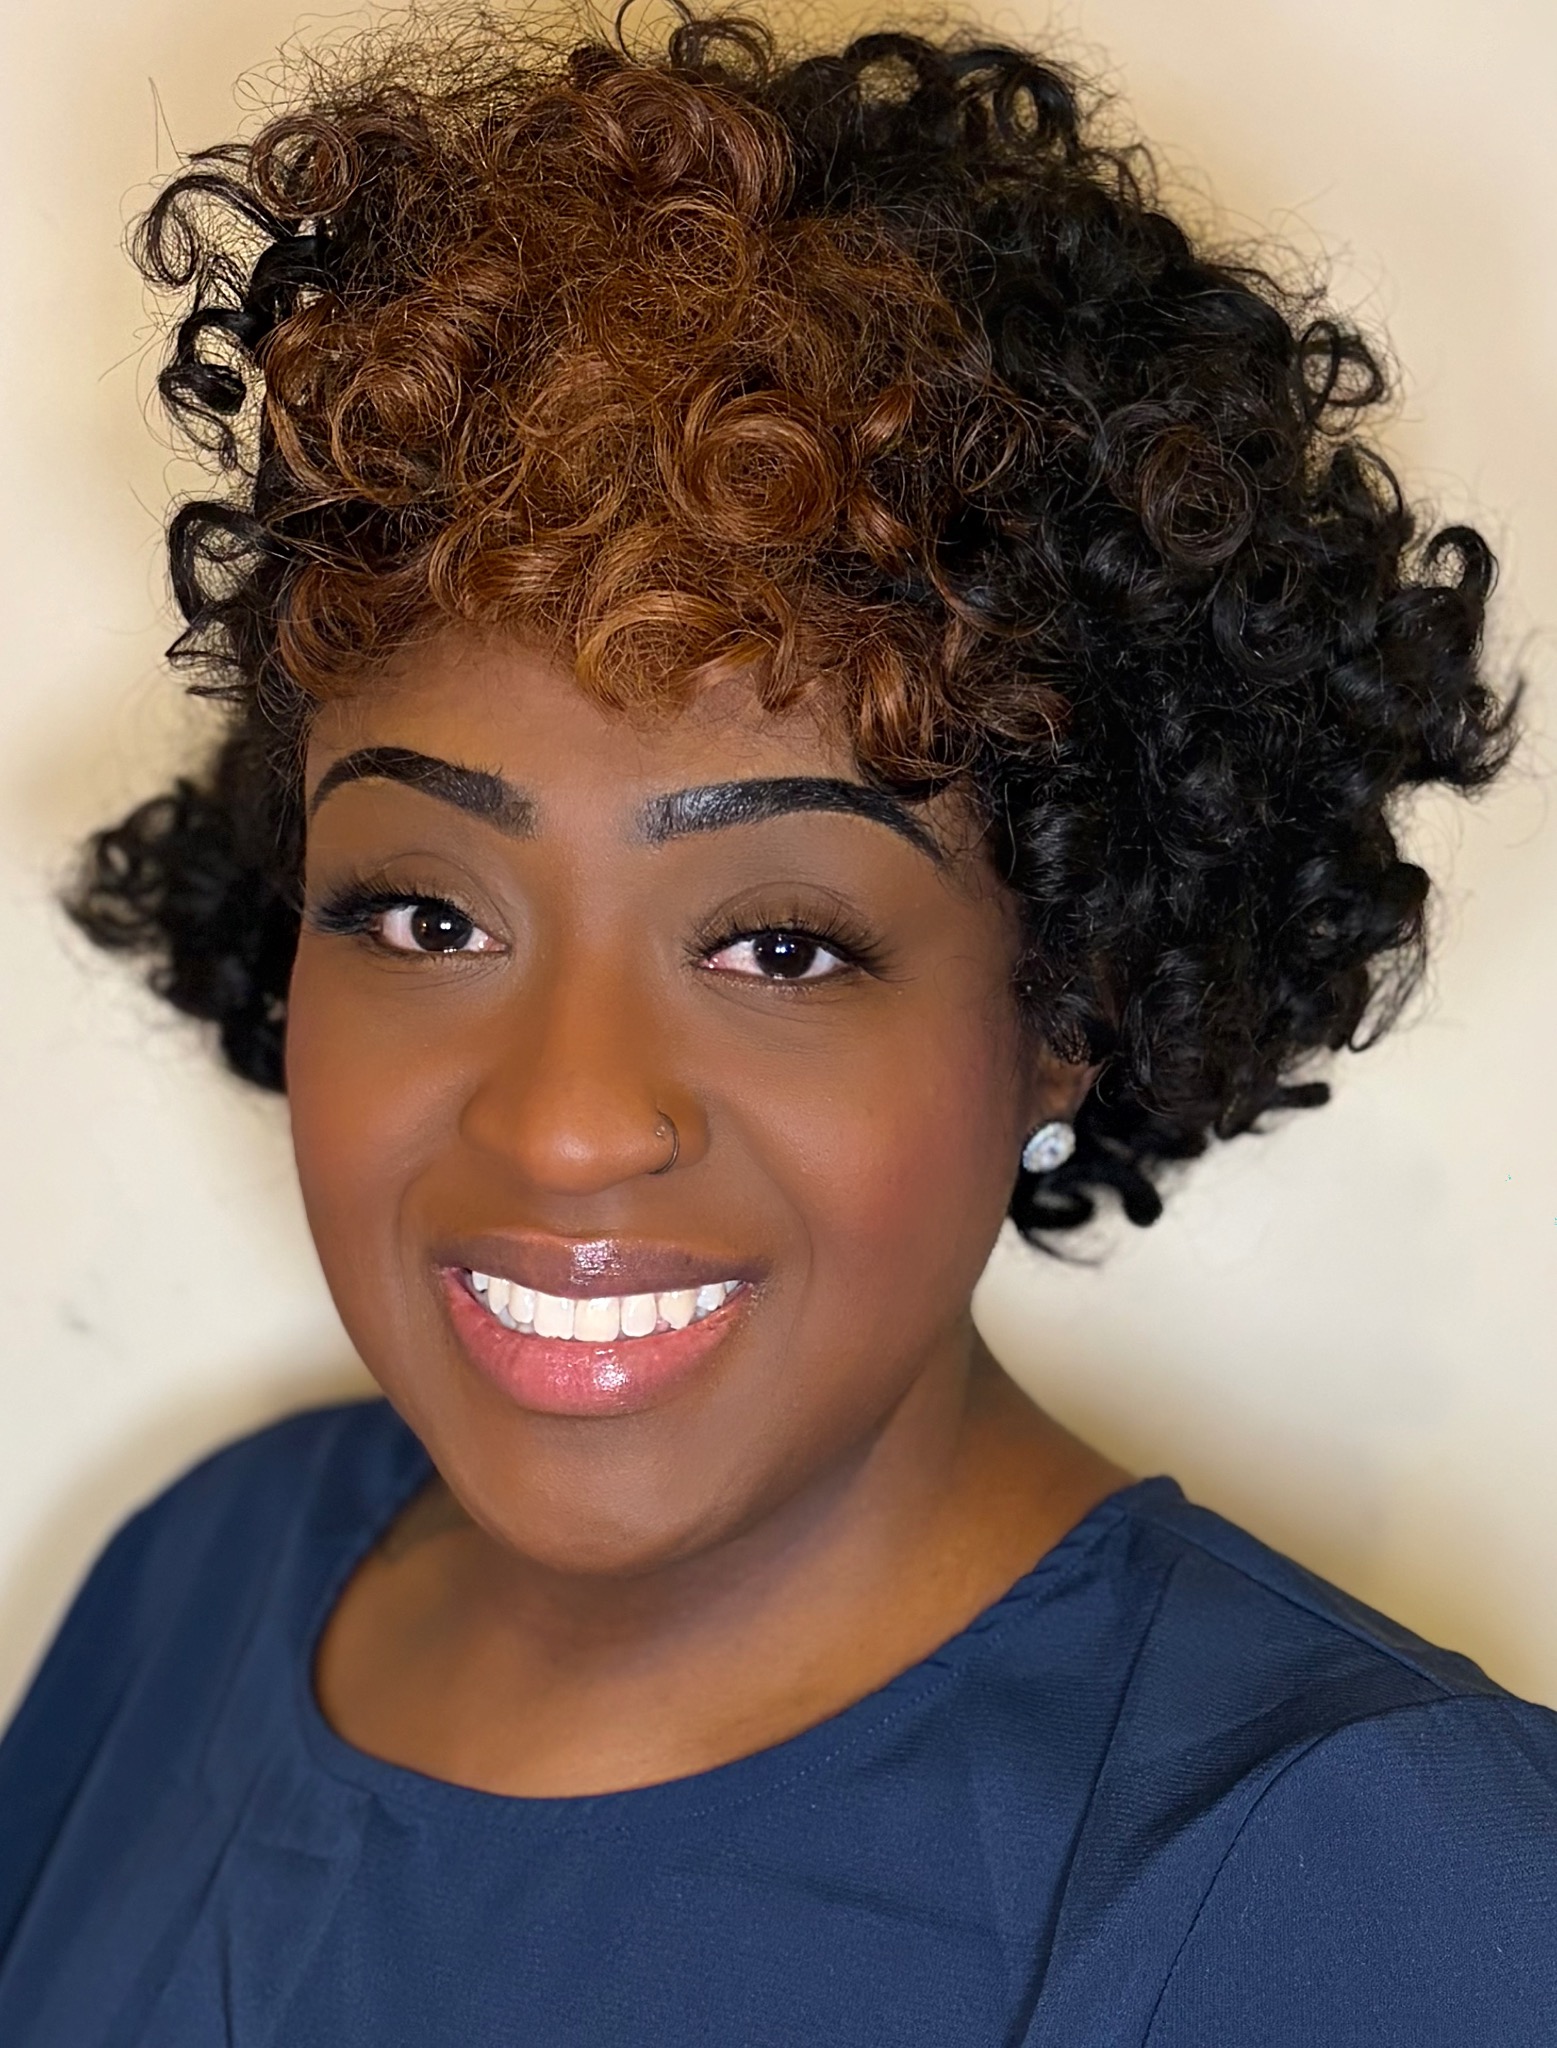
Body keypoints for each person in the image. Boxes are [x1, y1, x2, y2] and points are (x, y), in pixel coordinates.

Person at [1, 9, 1553, 2042]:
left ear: (1073, 1000)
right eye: (424, 913)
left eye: (783, 947)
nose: (566, 1123)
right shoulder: (201, 1581)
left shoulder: (1364, 1879)